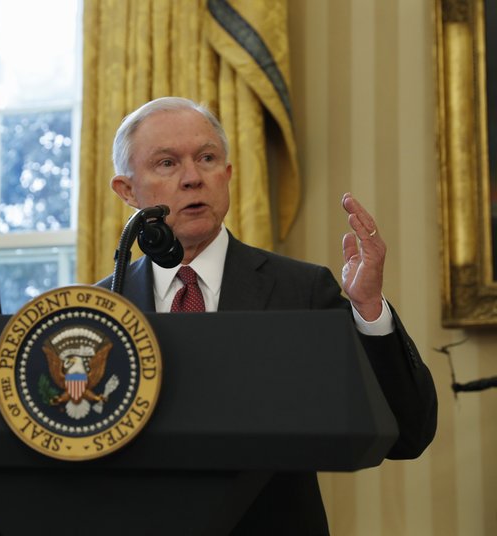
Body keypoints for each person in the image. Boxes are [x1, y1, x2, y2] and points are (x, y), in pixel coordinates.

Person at [98, 97, 437, 534]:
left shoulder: (301, 290)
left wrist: (369, 310)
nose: (192, 178)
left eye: (206, 158)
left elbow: (407, 432)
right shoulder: (102, 307)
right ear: (127, 190)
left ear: (228, 174)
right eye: (166, 163)